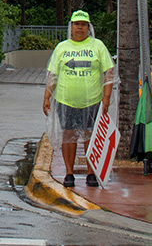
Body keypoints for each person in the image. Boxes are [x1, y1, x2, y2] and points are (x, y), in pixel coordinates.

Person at [43, 10, 115, 188]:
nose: (80, 28)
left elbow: (109, 73)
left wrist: (106, 98)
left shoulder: (98, 46)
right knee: (69, 135)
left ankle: (91, 173)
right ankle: (69, 173)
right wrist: (47, 96)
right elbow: (53, 74)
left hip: (92, 101)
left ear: (88, 28)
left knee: (90, 136)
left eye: (83, 24)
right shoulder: (62, 47)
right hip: (65, 101)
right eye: (76, 24)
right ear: (71, 27)